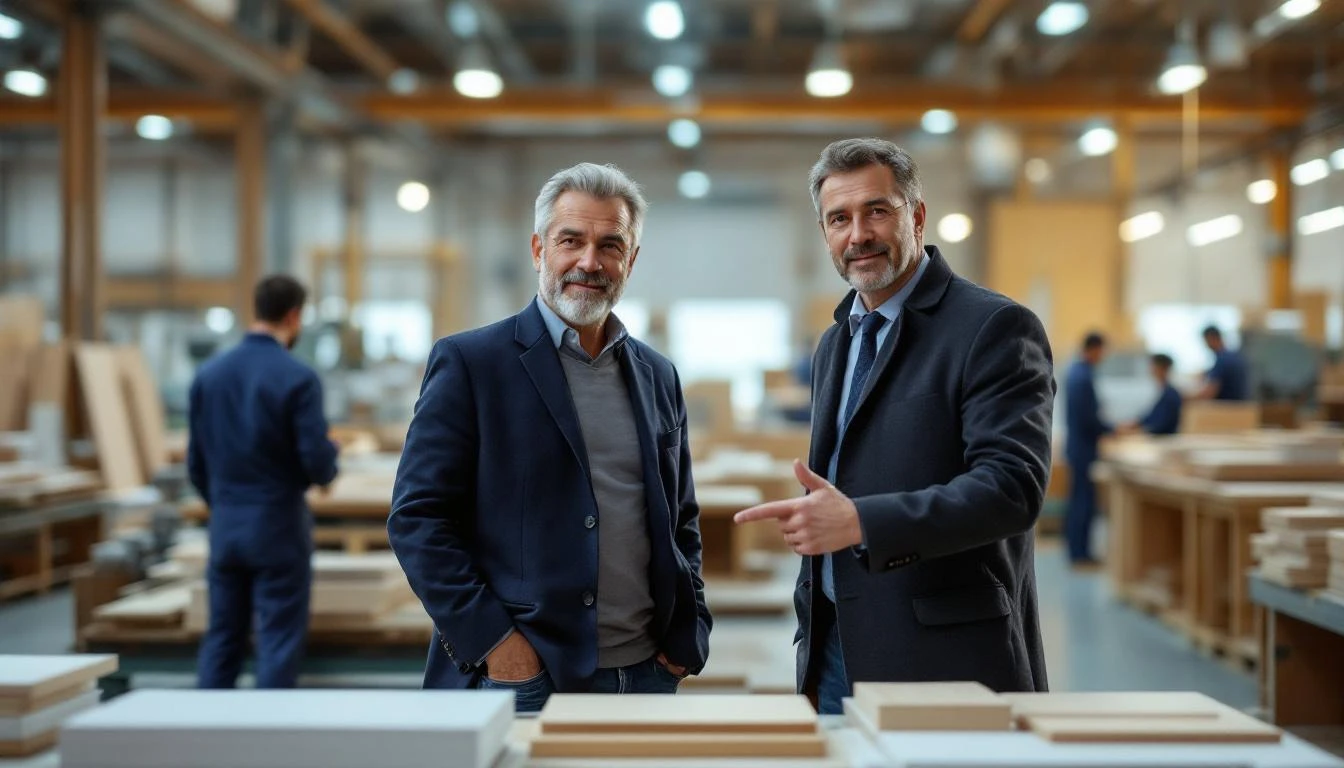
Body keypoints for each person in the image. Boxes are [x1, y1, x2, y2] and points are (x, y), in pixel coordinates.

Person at [733, 138, 1054, 714]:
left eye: (877, 211)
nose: (858, 234)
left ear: (917, 216)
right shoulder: (836, 342)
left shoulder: (993, 327)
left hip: (943, 656)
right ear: (824, 232)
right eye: (839, 219)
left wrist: (861, 522)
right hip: (835, 648)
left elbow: (1013, 488)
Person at [388, 162, 711, 712]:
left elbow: (680, 517)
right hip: (524, 677)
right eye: (571, 241)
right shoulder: (472, 363)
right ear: (539, 249)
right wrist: (498, 646)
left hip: (648, 673)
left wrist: (689, 631)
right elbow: (417, 519)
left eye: (610, 245)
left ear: (630, 261)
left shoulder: (657, 374)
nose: (590, 262)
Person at [188, 275, 339, 689]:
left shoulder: (209, 375)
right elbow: (317, 463)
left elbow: (196, 464)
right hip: (278, 526)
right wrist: (330, 458)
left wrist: (224, 504)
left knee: (222, 638)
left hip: (225, 525)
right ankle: (267, 731)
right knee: (277, 643)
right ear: (294, 317)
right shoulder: (297, 377)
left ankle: (203, 726)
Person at [1063, 332, 1112, 568]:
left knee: (1078, 500)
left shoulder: (1076, 372)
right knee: (1083, 502)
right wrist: (1111, 429)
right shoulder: (1083, 377)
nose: (1103, 356)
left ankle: (1078, 551)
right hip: (1084, 449)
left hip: (1078, 446)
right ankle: (1080, 553)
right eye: (1102, 351)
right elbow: (1089, 419)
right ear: (1094, 349)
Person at [1123, 353, 1182, 435]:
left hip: (1164, 438)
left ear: (1162, 368)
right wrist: (1136, 423)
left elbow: (1161, 425)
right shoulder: (1163, 391)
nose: (1150, 369)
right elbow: (1152, 417)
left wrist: (1140, 430)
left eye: (1152, 366)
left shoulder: (1170, 394)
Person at [1195, 325, 1250, 401]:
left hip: (1228, 406)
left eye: (1206, 341)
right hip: (1242, 403)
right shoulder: (1234, 356)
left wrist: (1187, 398)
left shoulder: (1222, 360)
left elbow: (1210, 392)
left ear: (1211, 339)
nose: (1206, 345)